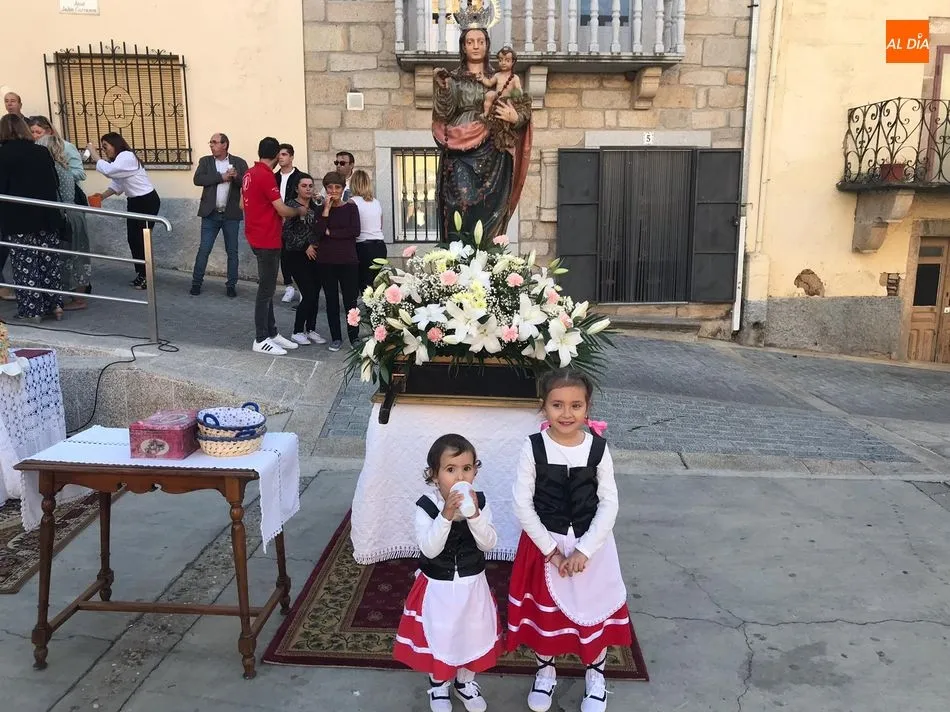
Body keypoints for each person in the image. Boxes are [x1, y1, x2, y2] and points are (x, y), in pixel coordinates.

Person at [506, 368, 633, 712]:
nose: (566, 413)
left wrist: (585, 549)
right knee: (547, 616)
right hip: (545, 546)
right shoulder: (533, 447)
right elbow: (521, 502)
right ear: (543, 408)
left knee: (591, 611)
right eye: (557, 405)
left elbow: (609, 502)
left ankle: (595, 675)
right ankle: (545, 671)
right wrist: (551, 552)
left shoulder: (598, 448)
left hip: (591, 548)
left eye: (575, 405)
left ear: (587, 408)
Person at [392, 434, 500, 712]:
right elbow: (429, 549)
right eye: (450, 470)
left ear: (475, 470)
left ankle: (465, 682)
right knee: (442, 634)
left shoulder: (481, 502)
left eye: (466, 468)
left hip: (472, 584)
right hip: (438, 588)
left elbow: (488, 542)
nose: (459, 476)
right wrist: (445, 517)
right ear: (434, 475)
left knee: (471, 633)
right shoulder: (426, 507)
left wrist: (474, 515)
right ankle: (439, 683)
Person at [433, 27, 532, 240]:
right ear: (463, 46)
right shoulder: (454, 79)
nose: (476, 46)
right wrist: (442, 89)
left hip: (494, 150)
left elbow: (521, 103)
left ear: (487, 45)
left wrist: (515, 117)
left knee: (492, 205)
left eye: (480, 41)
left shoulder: (500, 77)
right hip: (461, 146)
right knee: (460, 201)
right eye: (470, 42)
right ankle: (457, 257)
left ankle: (489, 258)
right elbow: (443, 114)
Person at [241, 136, 309, 356]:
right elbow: (281, 209)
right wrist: (298, 210)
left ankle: (272, 333)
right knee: (266, 290)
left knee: (268, 288)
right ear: (276, 154)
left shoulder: (249, 174)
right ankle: (261, 338)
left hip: (255, 236)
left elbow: (242, 203)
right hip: (267, 239)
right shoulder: (266, 175)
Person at [0, 114, 66, 322]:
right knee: (49, 262)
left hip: (18, 218)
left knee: (25, 264)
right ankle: (55, 306)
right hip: (47, 215)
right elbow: (53, 181)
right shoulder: (42, 151)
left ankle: (32, 311)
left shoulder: (2, 155)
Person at [86, 133, 161, 289]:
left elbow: (109, 171)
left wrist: (93, 153)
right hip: (134, 201)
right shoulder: (120, 161)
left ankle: (147, 276)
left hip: (146, 201)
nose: (105, 150)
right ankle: (141, 273)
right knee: (133, 239)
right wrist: (102, 196)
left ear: (115, 144)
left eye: (106, 146)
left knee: (142, 240)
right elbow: (118, 183)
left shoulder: (126, 156)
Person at [35, 132, 92, 310]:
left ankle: (77, 300)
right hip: (75, 214)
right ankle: (78, 296)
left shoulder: (51, 169)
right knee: (78, 256)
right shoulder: (64, 166)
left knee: (67, 256)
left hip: (64, 216)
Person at [190, 133, 248, 297]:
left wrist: (236, 177)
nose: (212, 145)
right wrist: (221, 177)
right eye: (211, 142)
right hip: (210, 213)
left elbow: (246, 183)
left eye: (215, 142)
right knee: (204, 249)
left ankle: (231, 285)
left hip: (230, 214)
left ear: (225, 145)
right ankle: (196, 283)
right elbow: (198, 179)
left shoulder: (239, 162)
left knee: (232, 251)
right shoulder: (205, 161)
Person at [313, 170, 360, 351]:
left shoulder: (351, 208)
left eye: (337, 187)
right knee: (331, 300)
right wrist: (325, 210)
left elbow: (354, 231)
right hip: (326, 261)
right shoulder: (319, 210)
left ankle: (354, 337)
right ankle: (336, 338)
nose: (333, 191)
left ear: (343, 189)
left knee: (350, 301)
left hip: (348, 260)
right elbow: (317, 233)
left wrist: (331, 233)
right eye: (330, 187)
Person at [281, 173, 327, 345]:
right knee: (307, 294)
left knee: (315, 293)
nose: (308, 189)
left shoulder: (316, 206)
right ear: (296, 189)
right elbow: (286, 232)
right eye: (304, 186)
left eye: (310, 186)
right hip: (296, 255)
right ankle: (297, 330)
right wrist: (304, 245)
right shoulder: (291, 206)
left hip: (315, 255)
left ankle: (311, 329)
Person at [349, 169, 386, 291]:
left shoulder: (352, 202)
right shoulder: (376, 202)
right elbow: (380, 225)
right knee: (376, 284)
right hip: (380, 245)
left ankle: (366, 309)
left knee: (364, 284)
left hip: (363, 246)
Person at [275, 143, 303, 303]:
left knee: (296, 254)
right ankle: (289, 287)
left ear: (291, 157)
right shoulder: (274, 177)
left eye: (284, 154)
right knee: (283, 255)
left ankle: (301, 289)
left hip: (294, 221)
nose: (281, 157)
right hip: (278, 221)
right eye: (279, 154)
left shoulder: (300, 177)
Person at [28, 115, 86, 184]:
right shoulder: (32, 148)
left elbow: (80, 174)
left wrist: (60, 174)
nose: (34, 136)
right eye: (32, 132)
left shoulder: (66, 146)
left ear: (49, 131)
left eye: (38, 132)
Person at [479, 46, 522, 118]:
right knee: (489, 94)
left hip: (508, 100)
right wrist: (483, 78)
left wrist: (518, 93)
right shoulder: (497, 75)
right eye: (501, 60)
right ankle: (486, 112)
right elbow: (489, 83)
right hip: (497, 98)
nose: (503, 63)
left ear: (513, 62)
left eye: (507, 60)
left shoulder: (515, 77)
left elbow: (518, 89)